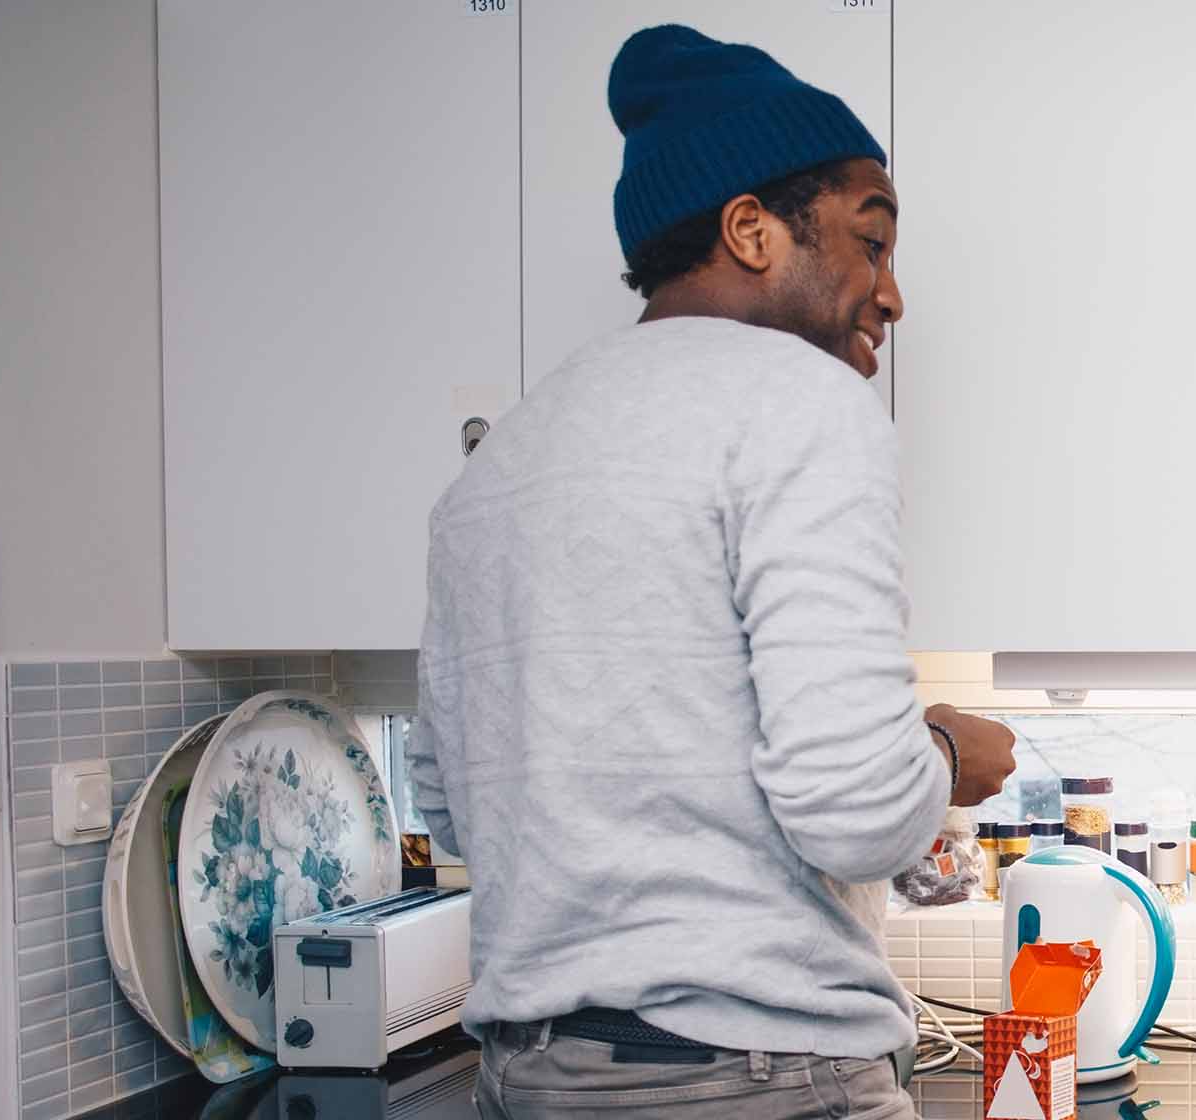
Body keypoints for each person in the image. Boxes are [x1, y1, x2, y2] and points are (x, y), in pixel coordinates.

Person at [406, 25, 1016, 1120]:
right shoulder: (802, 402)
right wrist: (942, 750)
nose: (891, 295)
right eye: (869, 243)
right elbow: (860, 810)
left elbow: (451, 807)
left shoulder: (496, 465)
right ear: (751, 231)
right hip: (753, 1081)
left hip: (530, 1080)